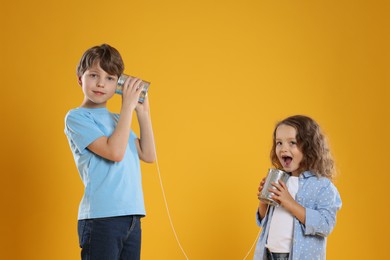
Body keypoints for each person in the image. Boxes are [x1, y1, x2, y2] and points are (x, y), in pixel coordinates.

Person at [64, 44, 155, 260]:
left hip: (131, 217)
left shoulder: (117, 120)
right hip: (102, 218)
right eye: (94, 75)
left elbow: (148, 154)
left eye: (110, 78)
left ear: (118, 85)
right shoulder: (77, 118)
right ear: (80, 78)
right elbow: (115, 152)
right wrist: (126, 108)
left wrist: (142, 112)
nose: (101, 83)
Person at [254, 115, 342, 260]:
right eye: (279, 143)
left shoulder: (322, 186)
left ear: (309, 147)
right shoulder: (281, 179)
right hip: (268, 254)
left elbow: (325, 224)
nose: (283, 149)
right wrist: (264, 201)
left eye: (292, 143)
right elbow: (263, 220)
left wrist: (290, 203)